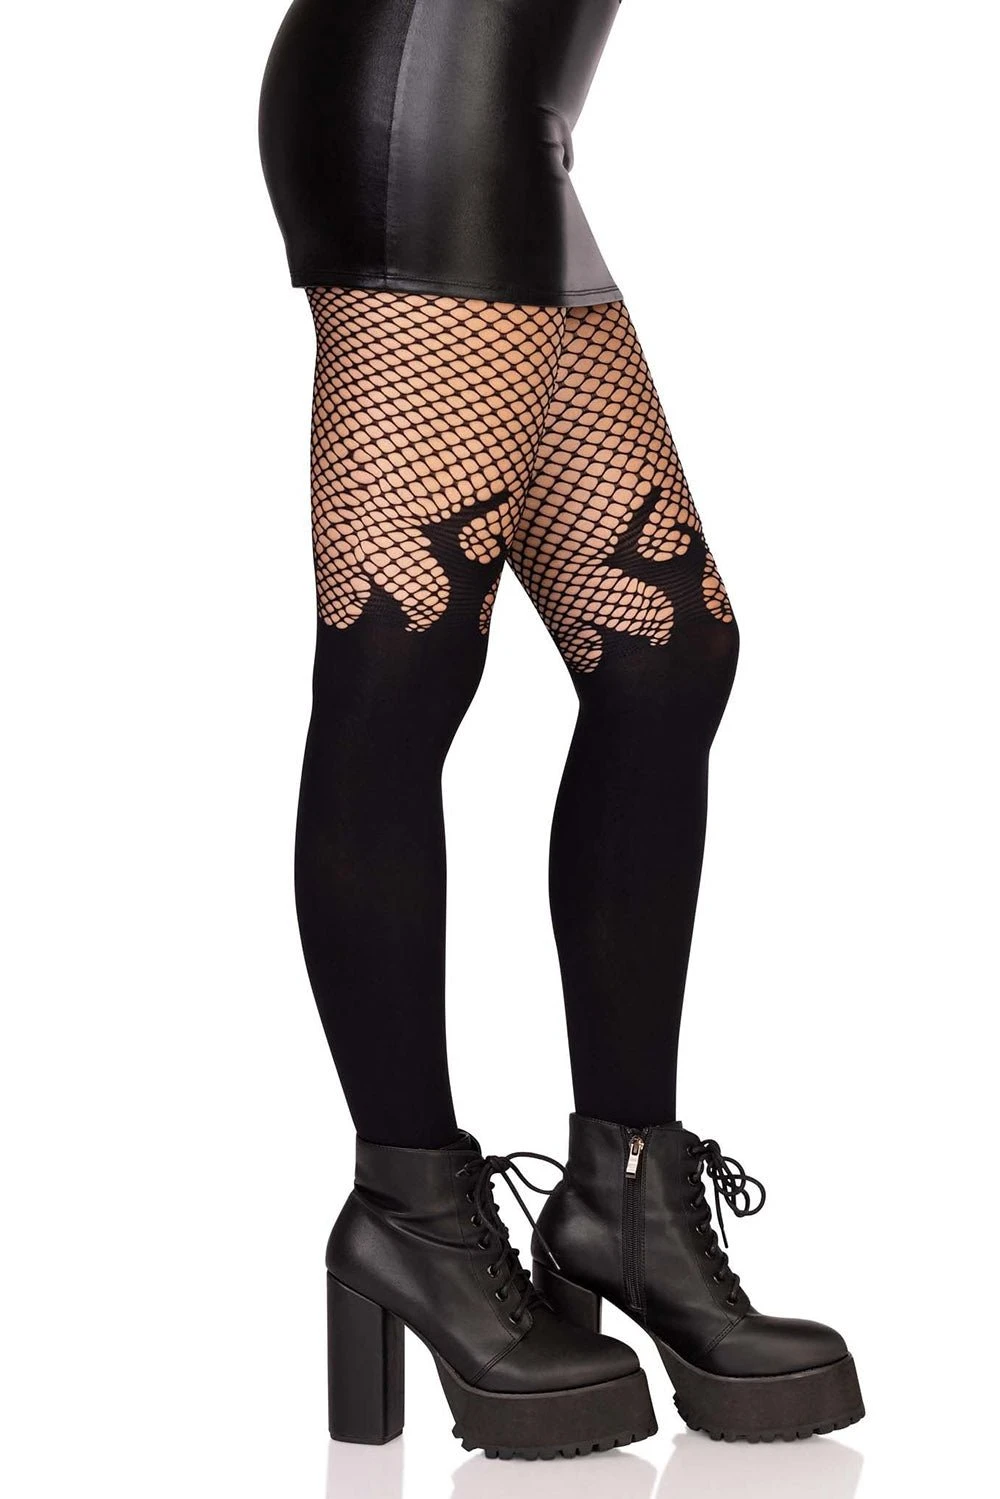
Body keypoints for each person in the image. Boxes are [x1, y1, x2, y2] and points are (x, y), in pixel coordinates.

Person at [258, 0, 863, 1458]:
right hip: (422, 109)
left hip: (518, 134)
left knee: (666, 656)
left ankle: (626, 1194)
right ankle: (409, 1205)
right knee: (400, 658)